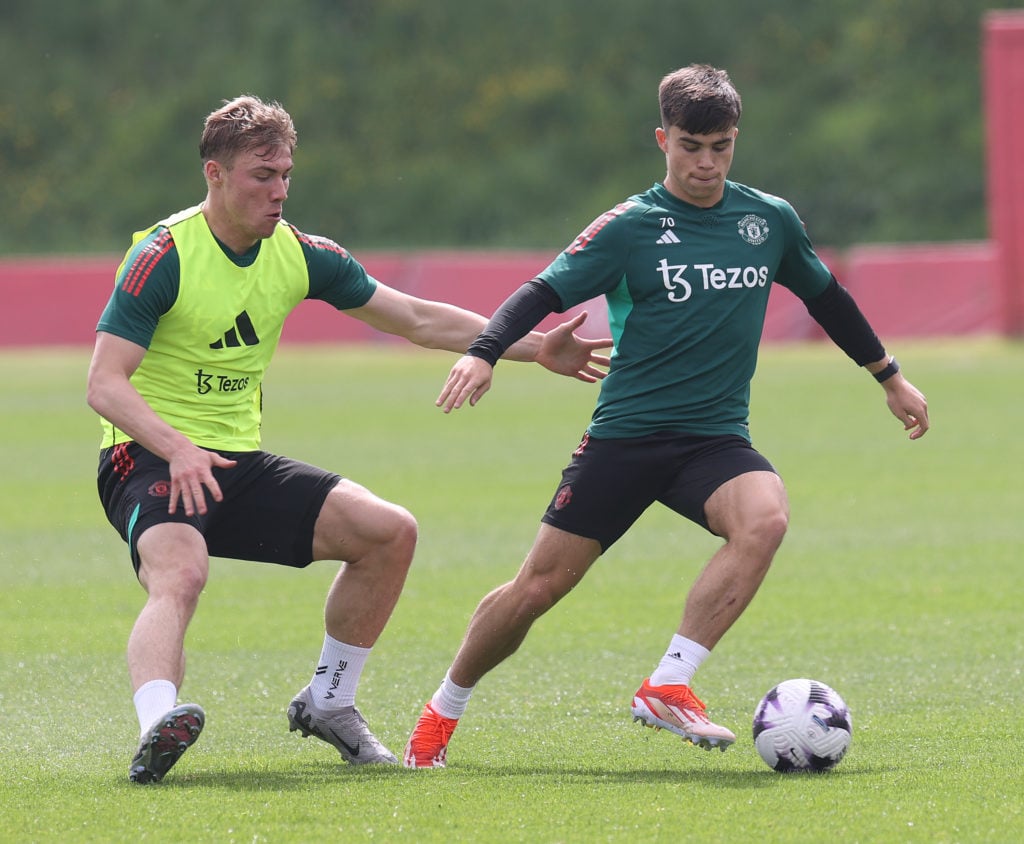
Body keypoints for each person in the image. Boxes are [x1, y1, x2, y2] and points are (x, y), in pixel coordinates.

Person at [403, 64, 930, 768]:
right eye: (691, 146)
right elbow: (543, 290)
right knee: (538, 589)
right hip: (624, 439)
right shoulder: (630, 227)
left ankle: (669, 685)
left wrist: (889, 378)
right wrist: (484, 352)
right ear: (663, 140)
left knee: (765, 518)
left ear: (735, 141)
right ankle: (441, 713)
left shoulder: (765, 221)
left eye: (721, 146)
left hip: (713, 440)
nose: (706, 162)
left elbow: (827, 298)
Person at [86, 95, 611, 785]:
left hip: (234, 463)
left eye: (285, 175)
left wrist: (535, 345)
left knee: (388, 533)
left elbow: (418, 318)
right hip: (146, 454)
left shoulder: (300, 254)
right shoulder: (163, 256)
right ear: (214, 174)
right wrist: (177, 446)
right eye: (260, 176)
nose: (278, 192)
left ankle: (329, 702)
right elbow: (105, 382)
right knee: (180, 574)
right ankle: (159, 723)